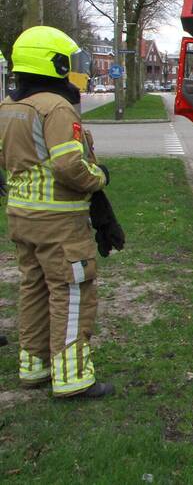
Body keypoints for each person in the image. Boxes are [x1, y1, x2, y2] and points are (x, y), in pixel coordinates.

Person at [0, 26, 114, 398]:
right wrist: (98, 178)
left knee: (33, 288)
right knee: (71, 290)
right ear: (55, 64)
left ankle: (34, 365)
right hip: (59, 222)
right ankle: (73, 377)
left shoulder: (9, 107)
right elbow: (69, 167)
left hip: (21, 216)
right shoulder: (57, 108)